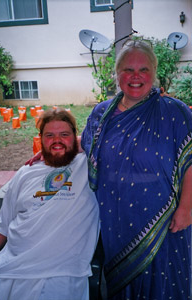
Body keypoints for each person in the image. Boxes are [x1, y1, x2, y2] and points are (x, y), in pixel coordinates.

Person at [81, 39, 192, 299]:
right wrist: (49, 150)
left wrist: (187, 208)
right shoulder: (101, 114)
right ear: (117, 74)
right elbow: (86, 145)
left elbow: (190, 162)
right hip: (115, 218)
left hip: (165, 220)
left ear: (154, 72)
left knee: (166, 282)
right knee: (123, 282)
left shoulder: (175, 113)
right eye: (128, 70)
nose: (136, 76)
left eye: (143, 69)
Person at [0, 109, 100, 300]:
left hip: (61, 277)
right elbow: (1, 226)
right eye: (49, 135)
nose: (56, 140)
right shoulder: (25, 172)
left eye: (64, 135)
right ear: (40, 138)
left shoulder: (89, 166)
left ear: (75, 137)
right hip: (5, 271)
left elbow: (115, 135)